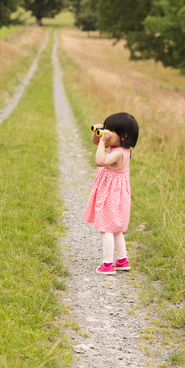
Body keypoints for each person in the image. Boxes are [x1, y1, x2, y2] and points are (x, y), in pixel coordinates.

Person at [83, 112, 139, 275]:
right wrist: (97, 135)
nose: (106, 134)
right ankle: (122, 260)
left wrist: (102, 142)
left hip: (110, 195)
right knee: (116, 229)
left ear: (124, 136)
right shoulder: (119, 147)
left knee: (106, 228)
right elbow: (96, 143)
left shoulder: (118, 153)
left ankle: (107, 264)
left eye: (110, 131)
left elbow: (100, 161)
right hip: (115, 195)